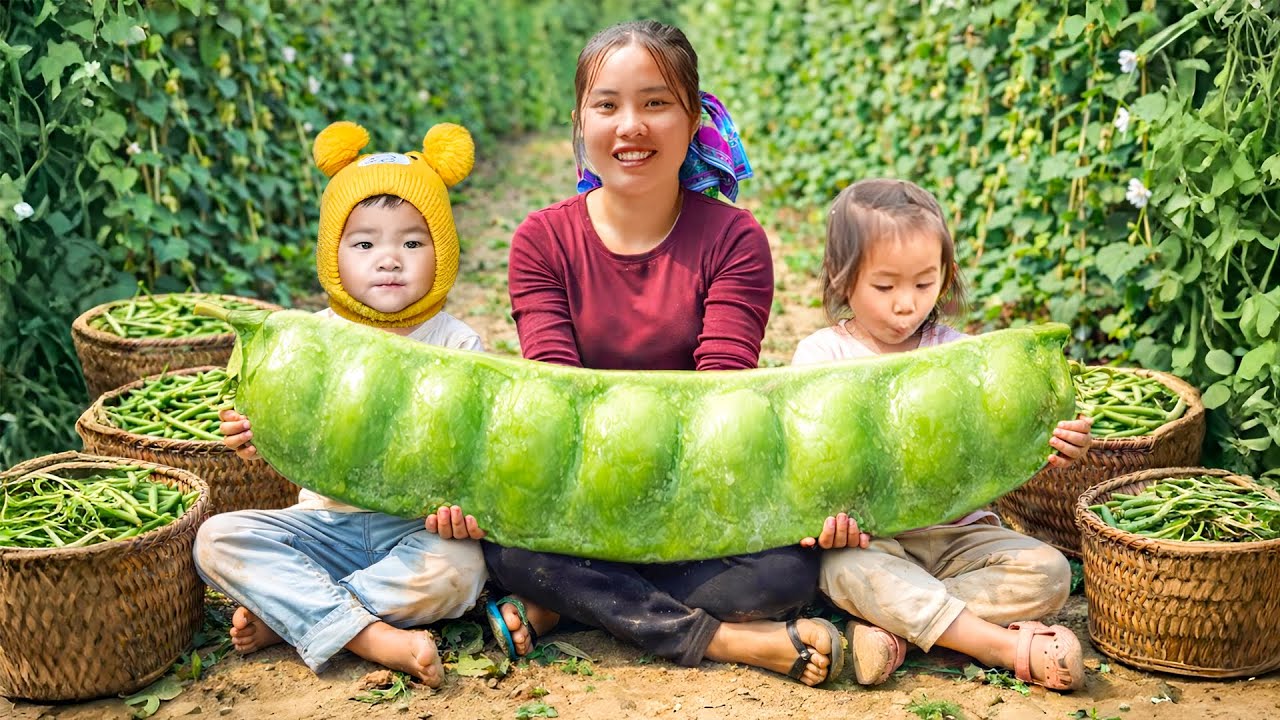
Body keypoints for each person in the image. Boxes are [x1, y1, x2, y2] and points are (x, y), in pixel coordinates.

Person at [477, 19, 845, 687]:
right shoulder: (541, 240)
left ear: (693, 116)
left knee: (787, 571)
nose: (631, 126)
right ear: (580, 121)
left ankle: (576, 606)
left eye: (655, 103)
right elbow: (560, 398)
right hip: (581, 483)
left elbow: (719, 400)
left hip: (697, 486)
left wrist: (665, 492)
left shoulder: (734, 241)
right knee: (506, 547)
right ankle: (728, 640)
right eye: (607, 104)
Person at [196, 120, 488, 687]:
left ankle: (304, 617)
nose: (389, 259)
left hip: (413, 530)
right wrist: (259, 432)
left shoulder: (459, 346)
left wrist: (458, 510)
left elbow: (471, 453)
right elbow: (279, 426)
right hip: (323, 524)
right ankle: (367, 632)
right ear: (334, 254)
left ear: (442, 250)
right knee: (218, 539)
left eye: (412, 241)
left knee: (463, 568)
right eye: (364, 243)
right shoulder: (308, 339)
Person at [791, 178, 1094, 691]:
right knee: (841, 571)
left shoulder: (963, 356)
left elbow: (1007, 437)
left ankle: (896, 632)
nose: (906, 304)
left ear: (946, 276)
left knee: (1050, 572)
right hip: (875, 541)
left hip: (962, 534)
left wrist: (1055, 441)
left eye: (923, 283)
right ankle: (1000, 647)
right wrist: (827, 522)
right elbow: (805, 466)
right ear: (842, 281)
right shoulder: (821, 359)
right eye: (884, 287)